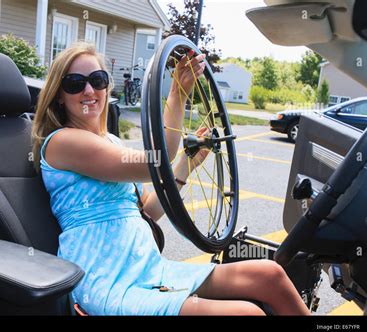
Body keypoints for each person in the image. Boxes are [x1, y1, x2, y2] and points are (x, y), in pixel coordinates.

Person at [31, 42, 310, 316]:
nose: (89, 90)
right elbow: (155, 160)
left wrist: (186, 164)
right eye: (75, 83)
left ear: (107, 86)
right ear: (58, 94)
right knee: (246, 314)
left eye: (97, 80)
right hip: (107, 282)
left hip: (149, 269)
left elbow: (149, 211)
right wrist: (177, 94)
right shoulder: (62, 142)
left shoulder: (111, 142)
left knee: (269, 273)